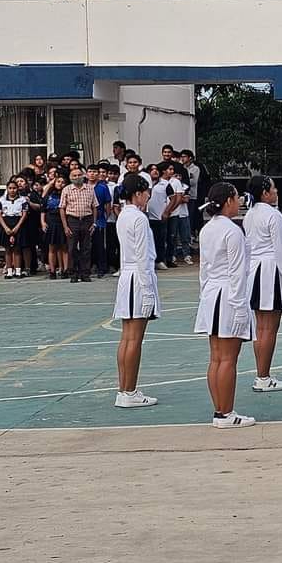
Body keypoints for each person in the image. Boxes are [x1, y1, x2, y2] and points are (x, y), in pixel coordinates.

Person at [195, 182, 256, 428]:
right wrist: (240, 307)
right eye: (236, 197)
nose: (239, 201)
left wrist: (205, 295)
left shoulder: (207, 229)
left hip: (212, 294)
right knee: (228, 358)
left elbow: (203, 269)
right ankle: (226, 413)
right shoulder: (232, 231)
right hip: (229, 295)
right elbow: (237, 273)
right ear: (229, 200)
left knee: (216, 358)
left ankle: (220, 411)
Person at [112, 173, 160, 409]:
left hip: (128, 277)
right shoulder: (139, 218)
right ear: (138, 193)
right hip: (138, 278)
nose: (148, 196)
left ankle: (125, 389)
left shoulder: (124, 215)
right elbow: (142, 256)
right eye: (146, 192)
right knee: (134, 338)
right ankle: (129, 391)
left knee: (127, 337)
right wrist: (148, 290)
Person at [243, 175, 282, 394]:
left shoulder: (250, 214)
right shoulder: (273, 215)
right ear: (264, 193)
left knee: (261, 327)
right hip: (270, 271)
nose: (276, 191)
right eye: (273, 188)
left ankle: (262, 374)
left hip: (255, 271)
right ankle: (263, 376)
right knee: (269, 327)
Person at [59, 166, 97, 283]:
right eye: (74, 175)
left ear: (83, 176)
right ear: (70, 178)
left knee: (86, 248)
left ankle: (85, 273)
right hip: (72, 220)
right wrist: (65, 226)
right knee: (72, 248)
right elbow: (62, 208)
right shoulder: (66, 190)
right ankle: (73, 273)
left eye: (79, 175)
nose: (77, 177)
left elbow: (94, 206)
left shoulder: (90, 189)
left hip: (87, 220)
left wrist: (94, 223)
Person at [0, 181, 28, 278]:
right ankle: (9, 271)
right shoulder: (2, 200)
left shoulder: (22, 200)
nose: (12, 190)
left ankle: (18, 271)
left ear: (17, 189)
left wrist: (17, 227)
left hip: (18, 223)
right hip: (6, 223)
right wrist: (5, 227)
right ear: (7, 189)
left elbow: (24, 215)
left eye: (14, 188)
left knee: (17, 249)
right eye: (10, 188)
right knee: (8, 249)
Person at [42, 175, 69, 279]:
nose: (60, 184)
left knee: (64, 247)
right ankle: (52, 270)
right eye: (58, 181)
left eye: (63, 182)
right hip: (51, 221)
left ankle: (65, 270)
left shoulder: (67, 194)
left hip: (63, 221)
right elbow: (43, 211)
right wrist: (43, 222)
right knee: (52, 247)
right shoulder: (49, 195)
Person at [88, 164, 112, 278]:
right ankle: (89, 266)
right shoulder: (84, 186)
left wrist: (106, 216)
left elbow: (108, 203)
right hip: (86, 219)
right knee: (87, 245)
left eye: (94, 172)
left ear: (98, 174)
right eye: (90, 171)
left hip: (100, 220)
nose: (92, 174)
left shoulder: (103, 187)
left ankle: (102, 267)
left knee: (100, 245)